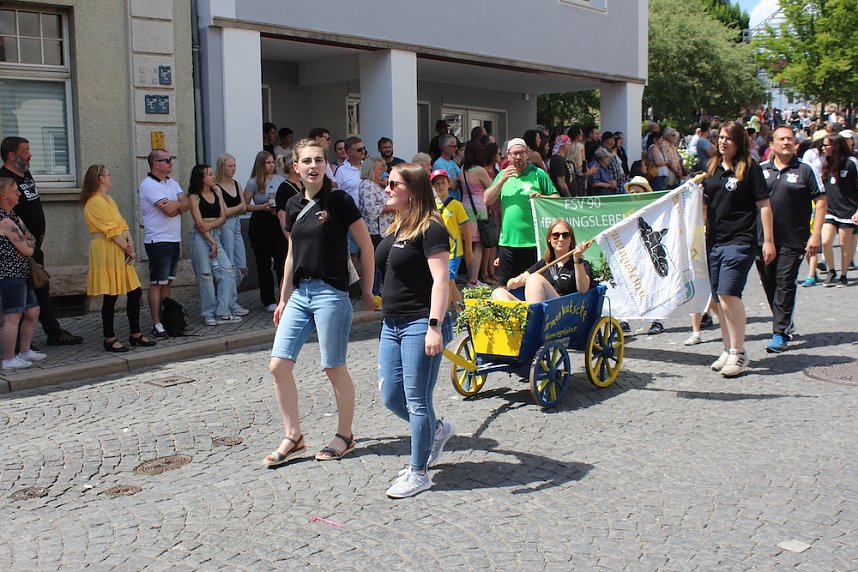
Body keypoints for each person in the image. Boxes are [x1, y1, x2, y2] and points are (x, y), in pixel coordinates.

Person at [262, 138, 374, 468]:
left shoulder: (338, 200)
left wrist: (367, 291)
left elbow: (366, 246)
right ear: (295, 167)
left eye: (319, 160)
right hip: (300, 294)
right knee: (278, 365)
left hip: (331, 293)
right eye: (307, 161)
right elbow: (291, 255)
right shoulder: (294, 205)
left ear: (326, 165)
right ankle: (293, 436)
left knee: (333, 365)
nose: (313, 166)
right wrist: (283, 298)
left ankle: (345, 435)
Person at [375, 162, 455, 498]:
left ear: (413, 190)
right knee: (391, 396)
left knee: (417, 401)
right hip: (391, 322)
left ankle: (418, 472)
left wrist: (434, 327)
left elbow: (441, 280)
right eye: (387, 183)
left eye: (394, 184)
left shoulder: (431, 228)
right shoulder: (397, 227)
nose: (387, 189)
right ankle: (437, 430)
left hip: (420, 322)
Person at [703, 121, 775, 378]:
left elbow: (764, 205)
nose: (723, 142)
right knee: (716, 299)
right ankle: (727, 348)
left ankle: (739, 351)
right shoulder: (710, 168)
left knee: (728, 295)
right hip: (714, 241)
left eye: (728, 138)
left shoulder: (751, 168)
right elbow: (705, 205)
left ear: (739, 142)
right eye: (720, 137)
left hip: (741, 240)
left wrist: (768, 240)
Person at [0, 136, 82, 346]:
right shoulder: (4, 179)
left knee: (40, 288)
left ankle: (52, 332)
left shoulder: (26, 175)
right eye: (25, 151)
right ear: (11, 155)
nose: (30, 154)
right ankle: (19, 342)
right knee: (19, 296)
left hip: (33, 246)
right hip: (16, 250)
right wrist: (21, 243)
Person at [756, 126, 826, 353]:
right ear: (772, 144)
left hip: (793, 239)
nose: (786, 142)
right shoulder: (760, 170)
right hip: (762, 239)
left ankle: (780, 332)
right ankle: (783, 319)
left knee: (785, 283)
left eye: (790, 139)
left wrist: (815, 235)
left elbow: (822, 201)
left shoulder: (805, 170)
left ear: (795, 144)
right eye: (781, 139)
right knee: (770, 284)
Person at [81, 165, 156, 352]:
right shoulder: (94, 202)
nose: (110, 177)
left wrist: (129, 238)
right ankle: (109, 337)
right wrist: (129, 249)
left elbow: (120, 223)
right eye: (108, 174)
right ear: (100, 179)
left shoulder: (108, 199)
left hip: (119, 246)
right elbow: (110, 230)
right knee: (111, 295)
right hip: (106, 248)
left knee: (134, 291)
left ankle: (135, 332)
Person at [484, 138, 558, 286]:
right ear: (508, 156)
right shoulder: (502, 175)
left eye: (521, 153)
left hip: (533, 241)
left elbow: (556, 198)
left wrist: (541, 197)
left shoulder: (538, 174)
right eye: (515, 154)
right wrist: (500, 181)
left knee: (532, 284)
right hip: (508, 242)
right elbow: (487, 200)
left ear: (528, 154)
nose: (518, 157)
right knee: (505, 286)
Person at [138, 149, 190, 338]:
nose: (171, 163)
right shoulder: (148, 185)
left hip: (173, 238)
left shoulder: (172, 182)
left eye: (171, 159)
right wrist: (178, 206)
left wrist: (177, 206)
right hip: (158, 240)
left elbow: (187, 204)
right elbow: (168, 210)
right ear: (155, 164)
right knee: (157, 282)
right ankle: (156, 322)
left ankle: (167, 317)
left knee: (168, 281)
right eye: (167, 160)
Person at [188, 164, 242, 326]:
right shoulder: (194, 197)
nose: (213, 177)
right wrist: (211, 242)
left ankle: (222, 310)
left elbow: (223, 217)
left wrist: (210, 226)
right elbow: (199, 223)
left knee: (228, 272)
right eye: (209, 174)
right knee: (205, 275)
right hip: (199, 238)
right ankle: (208, 314)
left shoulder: (217, 192)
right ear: (201, 178)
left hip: (215, 236)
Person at [0, 177, 45, 369]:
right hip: (9, 275)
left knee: (32, 311)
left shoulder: (14, 217)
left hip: (21, 272)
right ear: (3, 195)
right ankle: (8, 359)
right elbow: (28, 249)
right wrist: (25, 244)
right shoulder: (5, 221)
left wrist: (25, 243)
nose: (19, 194)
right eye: (15, 191)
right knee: (12, 316)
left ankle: (25, 351)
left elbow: (31, 239)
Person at [492, 219, 594, 303]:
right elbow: (510, 284)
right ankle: (521, 320)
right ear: (549, 239)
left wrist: (577, 258)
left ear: (571, 239)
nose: (561, 239)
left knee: (534, 278)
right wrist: (515, 282)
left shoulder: (582, 264)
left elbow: (583, 289)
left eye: (565, 235)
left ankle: (532, 317)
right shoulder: (543, 263)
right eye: (556, 235)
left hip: (564, 310)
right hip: (540, 308)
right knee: (498, 292)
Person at [244, 151, 286, 311]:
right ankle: (268, 299)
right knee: (264, 262)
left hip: (277, 220)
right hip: (260, 222)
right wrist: (262, 207)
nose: (271, 165)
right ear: (261, 164)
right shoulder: (253, 182)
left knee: (281, 259)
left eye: (273, 162)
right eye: (268, 163)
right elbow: (245, 205)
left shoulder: (280, 180)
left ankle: (284, 294)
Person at [819, 134, 858, 287]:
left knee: (844, 243)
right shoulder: (827, 163)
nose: (823, 148)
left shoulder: (851, 163)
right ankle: (831, 271)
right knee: (825, 241)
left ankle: (843, 274)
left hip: (848, 211)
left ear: (835, 146)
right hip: (831, 210)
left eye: (826, 145)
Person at [431, 169, 472, 308]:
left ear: (449, 184)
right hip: (437, 250)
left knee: (447, 281)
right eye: (437, 184)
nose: (440, 186)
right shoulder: (431, 206)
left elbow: (465, 229)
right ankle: (461, 311)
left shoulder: (456, 205)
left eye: (443, 183)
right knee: (451, 283)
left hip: (453, 250)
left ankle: (444, 313)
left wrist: (469, 251)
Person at [214, 154, 250, 306]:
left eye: (234, 165)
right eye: (230, 166)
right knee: (228, 262)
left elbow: (244, 208)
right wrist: (237, 208)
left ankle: (231, 298)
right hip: (225, 224)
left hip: (236, 223)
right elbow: (225, 211)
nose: (233, 169)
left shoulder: (237, 184)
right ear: (222, 167)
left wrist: (235, 209)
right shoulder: (216, 187)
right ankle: (228, 301)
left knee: (242, 264)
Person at [459, 140, 494, 287]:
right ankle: (473, 280)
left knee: (468, 244)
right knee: (478, 246)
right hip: (478, 209)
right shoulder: (479, 170)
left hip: (465, 207)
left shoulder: (462, 169)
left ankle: (470, 279)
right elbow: (492, 187)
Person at [479, 142, 501, 284]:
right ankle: (484, 273)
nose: (500, 156)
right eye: (498, 153)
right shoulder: (483, 171)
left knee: (494, 242)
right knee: (487, 243)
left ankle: (492, 272)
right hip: (487, 209)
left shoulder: (497, 170)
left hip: (497, 208)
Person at [432, 135, 462, 200]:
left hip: (455, 204)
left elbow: (462, 179)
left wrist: (457, 181)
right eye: (454, 146)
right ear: (445, 148)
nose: (456, 149)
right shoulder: (439, 164)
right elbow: (452, 185)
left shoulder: (452, 162)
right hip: (446, 205)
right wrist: (457, 181)